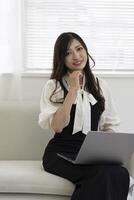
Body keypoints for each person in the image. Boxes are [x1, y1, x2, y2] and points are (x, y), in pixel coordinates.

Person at [38, 32, 130, 200]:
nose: (76, 56)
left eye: (79, 49)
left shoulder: (100, 85)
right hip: (60, 153)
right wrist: (73, 90)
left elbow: (107, 125)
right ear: (61, 58)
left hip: (90, 154)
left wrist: (111, 142)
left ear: (86, 50)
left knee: (121, 173)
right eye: (68, 53)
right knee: (100, 175)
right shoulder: (54, 86)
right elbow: (57, 126)